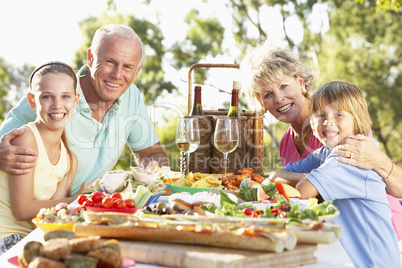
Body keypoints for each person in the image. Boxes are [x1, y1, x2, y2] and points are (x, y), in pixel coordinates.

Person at [240, 42, 402, 240]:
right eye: (268, 94)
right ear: (261, 102)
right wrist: (297, 178)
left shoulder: (341, 132)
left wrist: (302, 179)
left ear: (300, 83)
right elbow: (295, 190)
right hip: (330, 232)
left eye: (283, 86)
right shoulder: (286, 142)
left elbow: (303, 189)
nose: (279, 98)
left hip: (378, 234)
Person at [0, 24, 168, 195]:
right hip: (33, 213)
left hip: (86, 211)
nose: (117, 75)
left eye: (127, 67)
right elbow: (2, 142)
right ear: (90, 58)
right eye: (110, 62)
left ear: (137, 71)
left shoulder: (132, 97)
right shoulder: (54, 90)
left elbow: (154, 153)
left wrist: (151, 167)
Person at [277, 81, 400, 267]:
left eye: (339, 114)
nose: (328, 122)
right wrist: (301, 177)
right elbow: (279, 174)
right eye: (321, 115)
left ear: (357, 119)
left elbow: (302, 192)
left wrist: (303, 180)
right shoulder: (327, 152)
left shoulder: (350, 157)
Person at [0, 62, 93, 255]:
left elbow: (52, 217)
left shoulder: (70, 159)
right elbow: (23, 210)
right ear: (33, 101)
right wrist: (77, 199)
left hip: (33, 240)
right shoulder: (26, 138)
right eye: (47, 96)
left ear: (76, 100)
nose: (57, 105)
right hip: (6, 240)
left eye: (65, 96)